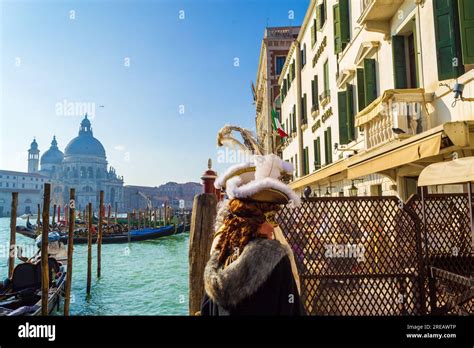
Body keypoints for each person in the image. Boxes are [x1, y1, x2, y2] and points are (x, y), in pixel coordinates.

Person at [200, 154, 304, 316]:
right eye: (268, 218)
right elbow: (292, 309)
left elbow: (207, 310)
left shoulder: (219, 258)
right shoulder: (276, 259)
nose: (272, 226)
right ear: (250, 222)